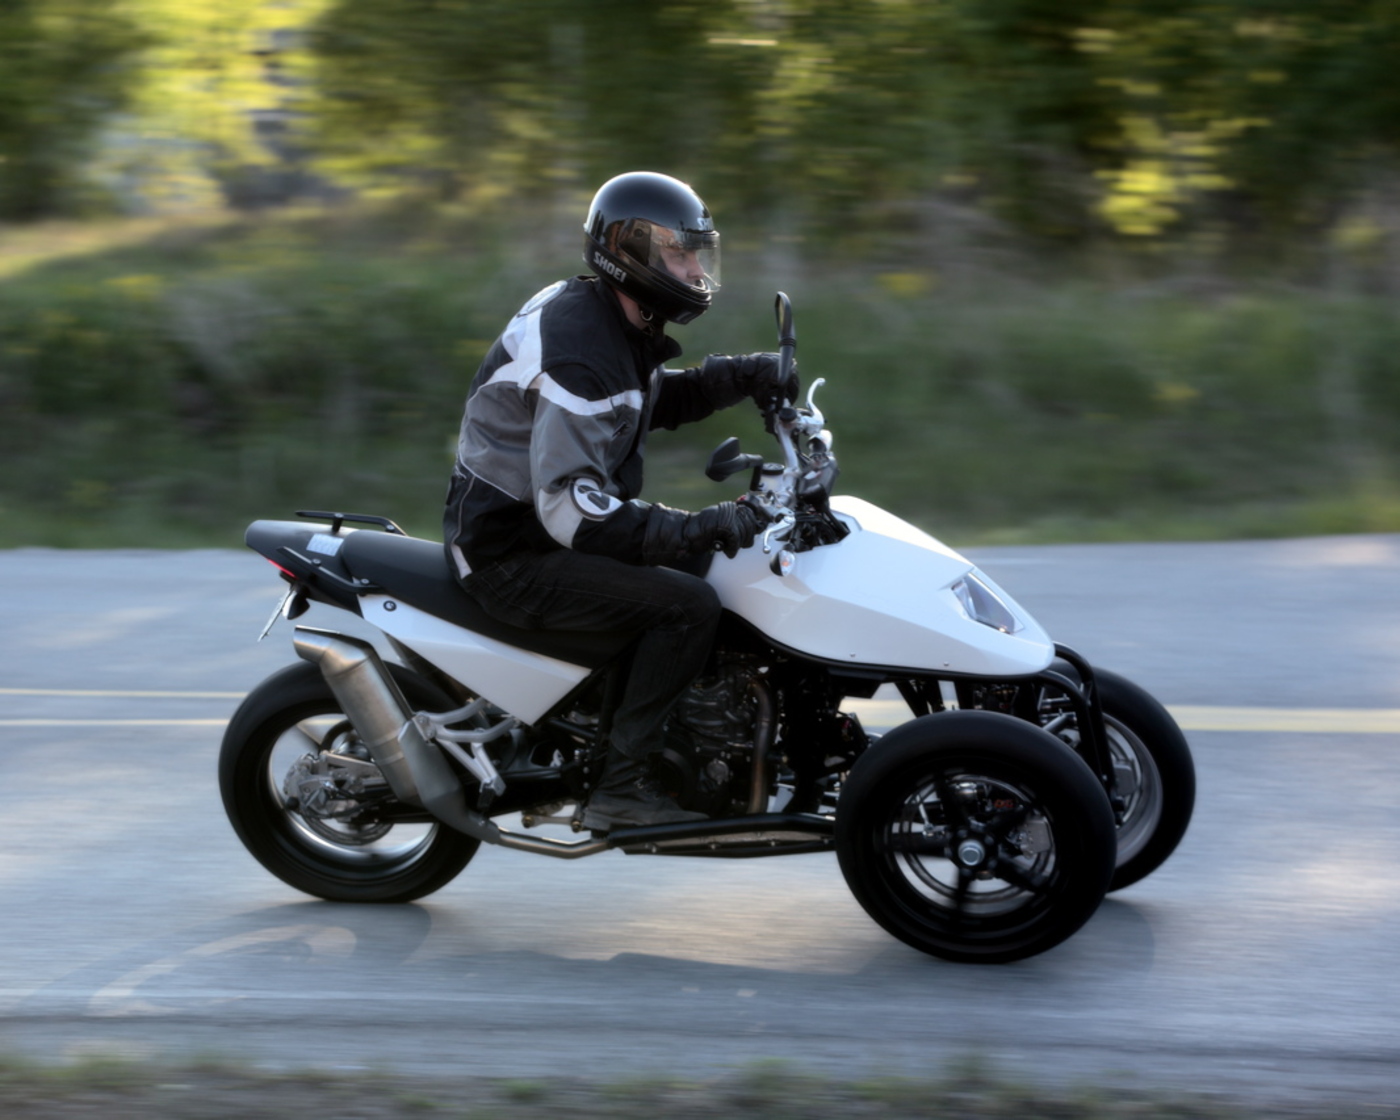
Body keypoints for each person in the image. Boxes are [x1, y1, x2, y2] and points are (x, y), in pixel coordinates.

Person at [443, 171, 796, 831]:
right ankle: (620, 788)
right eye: (679, 255)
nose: (696, 271)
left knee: (713, 572)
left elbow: (639, 403)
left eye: (699, 254)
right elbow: (571, 510)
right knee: (688, 607)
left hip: (544, 530)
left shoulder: (614, 318)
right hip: (512, 552)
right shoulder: (582, 356)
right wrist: (697, 525)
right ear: (627, 252)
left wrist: (742, 376)